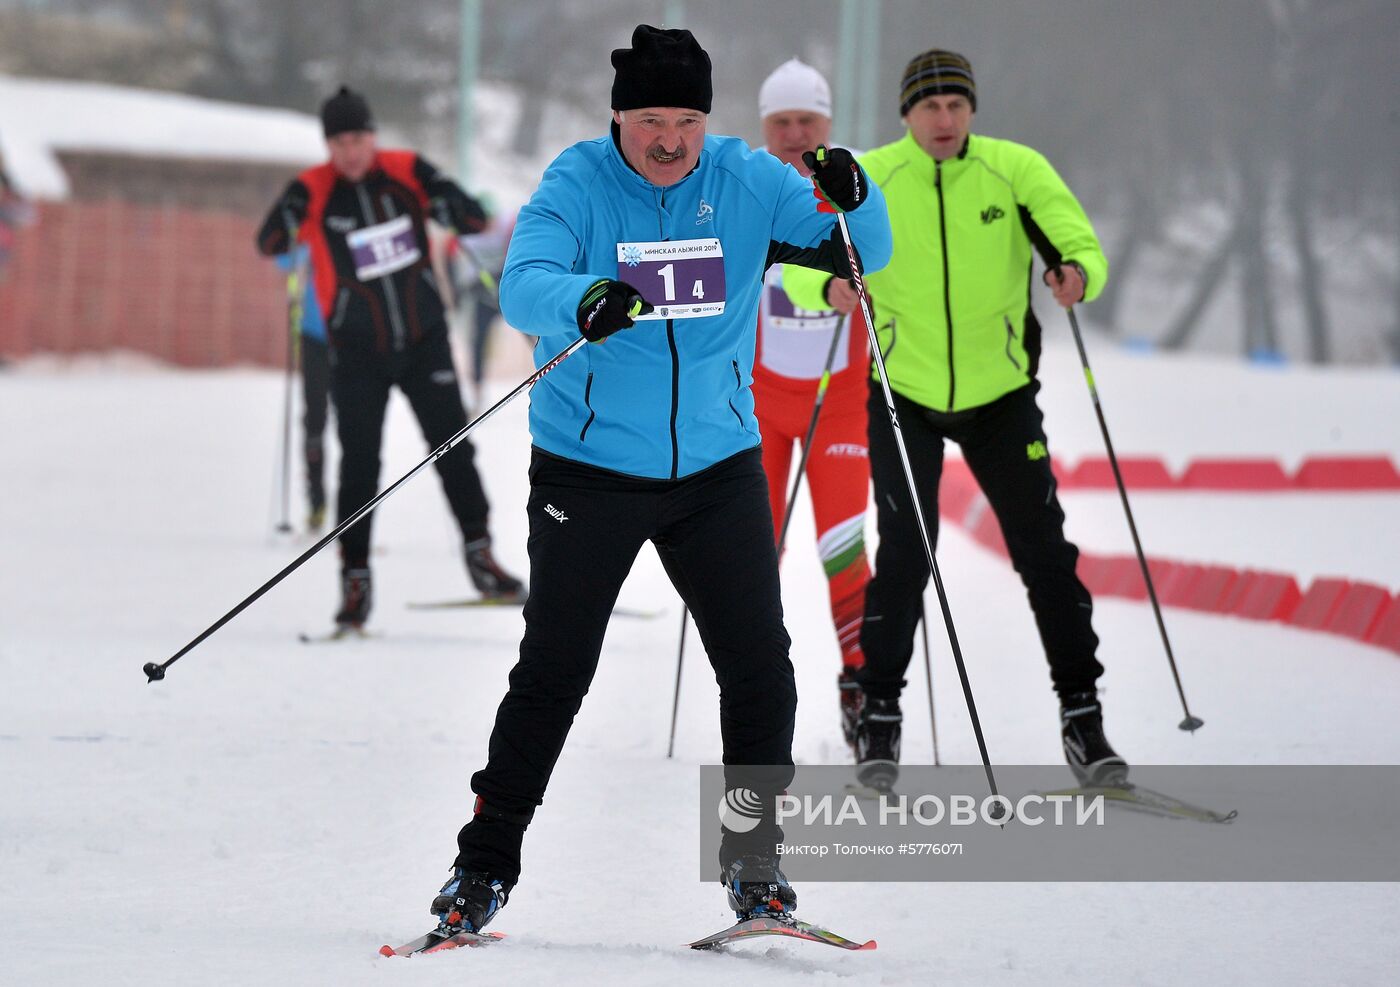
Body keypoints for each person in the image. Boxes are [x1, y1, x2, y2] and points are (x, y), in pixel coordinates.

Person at [428, 25, 891, 936]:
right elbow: (522, 283)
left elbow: (856, 251)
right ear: (618, 117)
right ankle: (481, 868)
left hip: (717, 468)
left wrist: (855, 197)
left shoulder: (747, 179)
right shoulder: (577, 181)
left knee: (759, 666)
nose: (670, 138)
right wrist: (583, 300)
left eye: (685, 118)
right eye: (650, 119)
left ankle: (755, 867)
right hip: (590, 468)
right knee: (555, 669)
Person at [784, 49, 1124, 790]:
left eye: (956, 106)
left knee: (1044, 552)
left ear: (972, 111)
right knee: (906, 552)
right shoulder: (874, 176)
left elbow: (1077, 241)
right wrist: (830, 290)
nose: (944, 120)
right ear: (907, 113)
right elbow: (803, 264)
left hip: (1000, 393)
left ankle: (1083, 716)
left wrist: (1075, 274)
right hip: (904, 391)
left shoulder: (1014, 168)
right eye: (929, 107)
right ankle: (879, 716)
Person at [255, 86, 524, 630]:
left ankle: (482, 558)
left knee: (454, 449)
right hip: (355, 352)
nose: (350, 151)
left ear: (372, 137)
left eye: (358, 138)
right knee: (359, 465)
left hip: (425, 340)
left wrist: (450, 202)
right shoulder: (314, 189)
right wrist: (286, 218)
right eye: (339, 142)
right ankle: (355, 584)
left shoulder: (406, 170)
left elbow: (472, 220)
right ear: (328, 145)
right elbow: (269, 243)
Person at [752, 59, 874, 753]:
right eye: (782, 123)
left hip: (840, 404)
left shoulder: (852, 191)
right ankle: (756, 689)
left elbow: (886, 258)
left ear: (829, 125)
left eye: (808, 122)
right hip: (762, 405)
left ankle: (861, 683)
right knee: (750, 554)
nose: (796, 134)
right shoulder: (750, 191)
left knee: (843, 549)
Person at [272, 244, 333, 531]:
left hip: (353, 338)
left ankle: (354, 507)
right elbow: (282, 258)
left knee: (357, 426)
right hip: (314, 336)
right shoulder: (311, 228)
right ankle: (316, 501)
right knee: (314, 421)